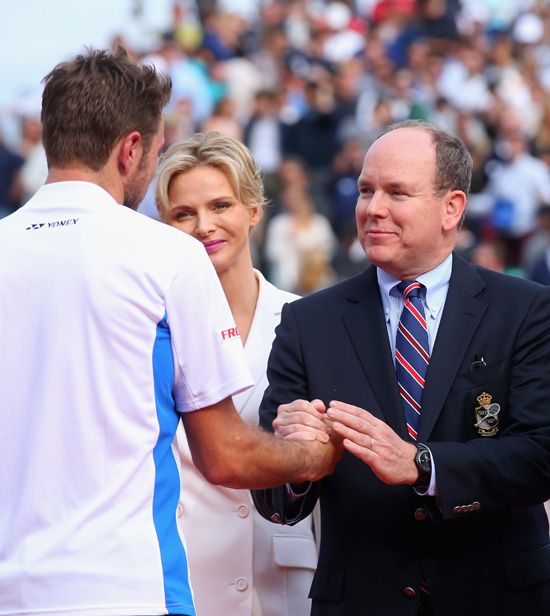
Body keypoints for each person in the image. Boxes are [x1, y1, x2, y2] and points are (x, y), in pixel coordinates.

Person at [0, 48, 339, 616]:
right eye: (156, 153)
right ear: (131, 148)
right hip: (130, 588)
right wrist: (314, 458)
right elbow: (227, 456)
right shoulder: (165, 255)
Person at [252, 120, 550, 615]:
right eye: (366, 190)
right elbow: (273, 494)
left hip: (497, 597)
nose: (373, 209)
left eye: (397, 192)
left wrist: (422, 465)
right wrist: (296, 464)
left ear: (451, 208)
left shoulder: (526, 310)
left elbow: (541, 455)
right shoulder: (308, 322)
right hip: (362, 599)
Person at [155, 132, 317, 616]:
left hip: (277, 580)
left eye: (221, 204)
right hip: (184, 577)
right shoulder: (146, 329)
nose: (204, 226)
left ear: (253, 209)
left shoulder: (308, 321)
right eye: (183, 213)